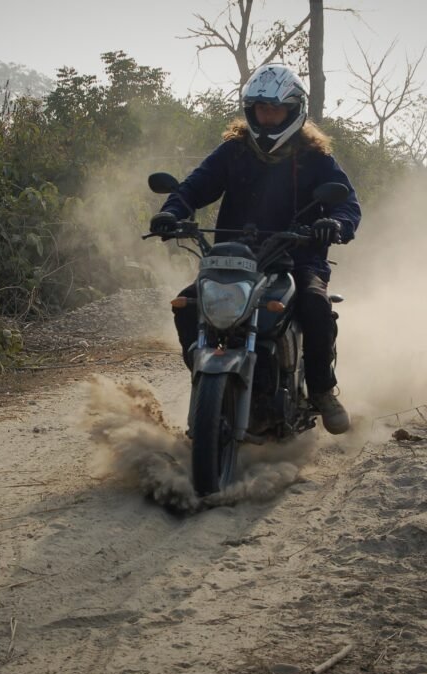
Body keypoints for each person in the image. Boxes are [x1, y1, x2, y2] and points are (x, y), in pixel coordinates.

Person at [149, 63, 362, 435]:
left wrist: (335, 224)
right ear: (250, 110)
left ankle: (323, 391)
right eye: (261, 109)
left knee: (314, 304)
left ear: (294, 111)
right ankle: (206, 384)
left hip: (297, 255)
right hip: (235, 256)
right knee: (188, 304)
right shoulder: (234, 151)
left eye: (275, 110)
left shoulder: (315, 158)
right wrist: (171, 212)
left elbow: (348, 204)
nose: (266, 117)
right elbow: (194, 187)